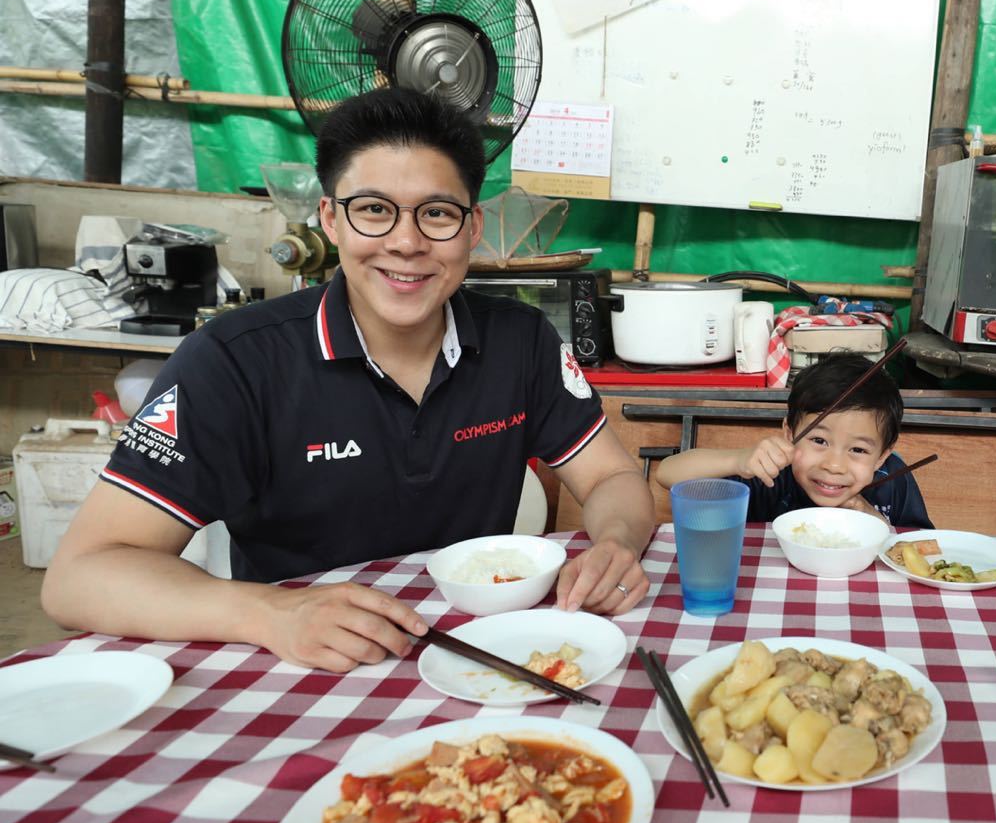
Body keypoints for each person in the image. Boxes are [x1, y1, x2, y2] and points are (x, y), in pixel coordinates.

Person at [42, 88, 655, 672]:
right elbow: (81, 575)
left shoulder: (521, 341)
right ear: (331, 220)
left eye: (437, 213)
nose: (407, 243)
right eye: (373, 210)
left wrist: (616, 542)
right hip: (297, 662)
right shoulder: (232, 362)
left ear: (472, 229)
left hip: (475, 651)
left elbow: (612, 477)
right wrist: (270, 612)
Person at [655, 352, 932, 527]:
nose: (834, 466)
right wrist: (739, 460)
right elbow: (667, 474)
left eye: (858, 449)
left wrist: (871, 518)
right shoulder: (773, 473)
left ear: (882, 456)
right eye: (819, 441)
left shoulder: (893, 478)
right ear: (789, 434)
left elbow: (921, 547)